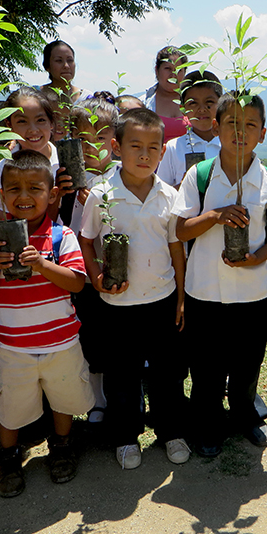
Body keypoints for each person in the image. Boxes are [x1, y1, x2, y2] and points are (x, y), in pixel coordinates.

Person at [174, 91, 267, 457]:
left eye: (250, 125)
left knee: (247, 363)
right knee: (206, 366)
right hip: (204, 292)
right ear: (216, 127)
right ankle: (208, 423)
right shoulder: (200, 175)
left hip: (252, 293)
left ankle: (245, 415)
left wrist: (257, 258)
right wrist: (214, 216)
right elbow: (180, 230)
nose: (240, 132)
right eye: (231, 123)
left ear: (262, 133)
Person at [0, 151, 94, 497]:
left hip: (62, 345)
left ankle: (62, 446)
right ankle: (8, 457)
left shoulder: (61, 235)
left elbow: (75, 282)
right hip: (15, 349)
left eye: (34, 189)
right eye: (13, 189)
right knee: (11, 407)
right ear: (1, 192)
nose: (23, 197)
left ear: (52, 194)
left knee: (63, 398)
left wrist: (42, 264)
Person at [79, 108, 190, 468]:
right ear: (116, 147)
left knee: (167, 373)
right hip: (117, 304)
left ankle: (171, 430)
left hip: (162, 299)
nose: (144, 155)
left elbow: (176, 247)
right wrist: (96, 276)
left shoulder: (169, 196)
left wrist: (182, 296)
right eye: (135, 146)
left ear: (162, 151)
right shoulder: (102, 195)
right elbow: (87, 240)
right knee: (122, 374)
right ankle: (126, 436)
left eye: (153, 148)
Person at [66, 98, 121, 423]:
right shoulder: (70, 180)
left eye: (99, 138)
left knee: (118, 339)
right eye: (84, 139)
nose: (92, 147)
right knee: (91, 338)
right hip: (83, 277)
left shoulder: (123, 175)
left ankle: (122, 396)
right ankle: (97, 399)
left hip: (118, 272)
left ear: (113, 139)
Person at [0, 87, 71, 223]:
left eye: (41, 120)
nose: (33, 129)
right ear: (10, 125)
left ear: (51, 122)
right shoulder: (1, 169)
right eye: (22, 121)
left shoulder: (66, 164)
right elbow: (0, 219)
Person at [157, 70, 222, 188]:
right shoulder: (173, 147)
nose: (202, 109)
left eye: (209, 102)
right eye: (193, 103)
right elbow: (161, 193)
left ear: (221, 105)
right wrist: (183, 187)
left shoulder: (231, 144)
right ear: (183, 109)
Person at [142, 46, 188, 143]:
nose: (173, 74)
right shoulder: (143, 104)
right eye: (168, 68)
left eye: (179, 70)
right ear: (157, 70)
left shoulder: (194, 101)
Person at [39, 40, 91, 105]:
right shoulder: (35, 96)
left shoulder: (87, 99)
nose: (66, 66)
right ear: (47, 66)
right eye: (59, 60)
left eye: (70, 60)